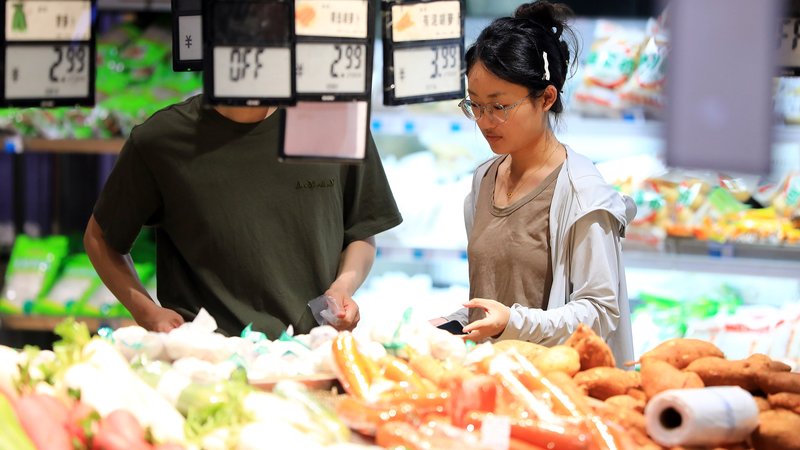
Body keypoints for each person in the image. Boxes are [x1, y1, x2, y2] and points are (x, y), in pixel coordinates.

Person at [84, 96, 402, 337]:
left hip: (312, 356)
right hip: (206, 364)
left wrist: (344, 286)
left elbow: (361, 228)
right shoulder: (162, 138)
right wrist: (146, 312)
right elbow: (101, 238)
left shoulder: (335, 120)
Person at [430, 1, 636, 366]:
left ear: (546, 97)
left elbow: (601, 312)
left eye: (499, 107)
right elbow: (495, 298)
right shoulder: (484, 178)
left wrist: (512, 322)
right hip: (493, 381)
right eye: (474, 105)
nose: (485, 121)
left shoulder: (582, 192)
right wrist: (455, 325)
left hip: (556, 389)